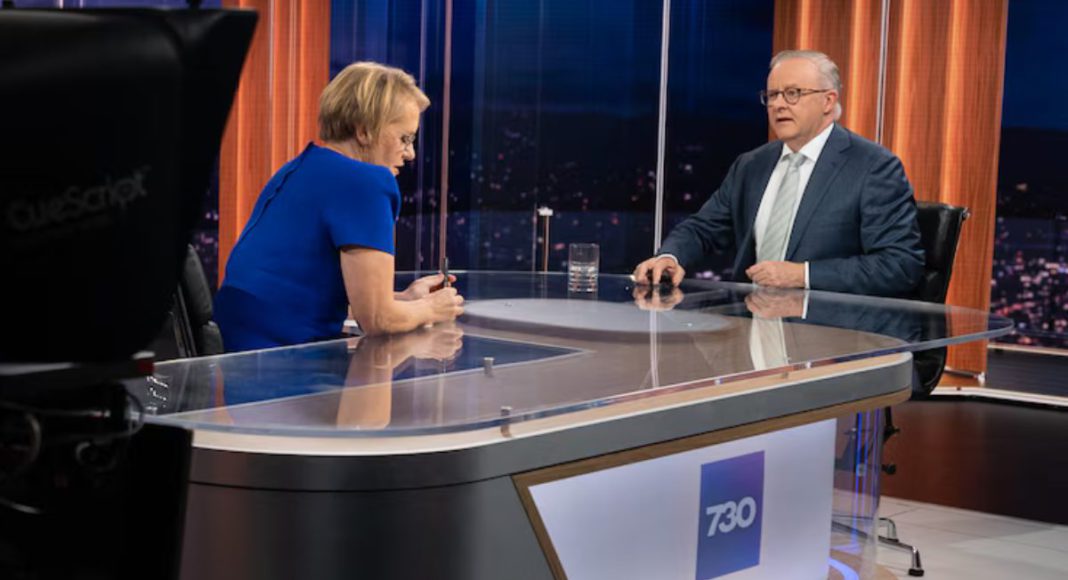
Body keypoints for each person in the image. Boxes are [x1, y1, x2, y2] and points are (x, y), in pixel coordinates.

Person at [214, 62, 464, 352]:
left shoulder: (299, 168)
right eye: (404, 138)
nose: (410, 154)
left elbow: (295, 296)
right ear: (364, 131)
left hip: (240, 359)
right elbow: (378, 320)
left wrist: (405, 300)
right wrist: (432, 309)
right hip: (286, 370)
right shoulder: (366, 182)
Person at [634, 50, 923, 298]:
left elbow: (899, 265)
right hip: (750, 326)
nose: (778, 104)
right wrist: (670, 257)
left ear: (827, 101)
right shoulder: (752, 164)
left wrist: (803, 275)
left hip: (831, 336)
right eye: (772, 95)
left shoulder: (872, 166)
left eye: (793, 93)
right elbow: (703, 228)